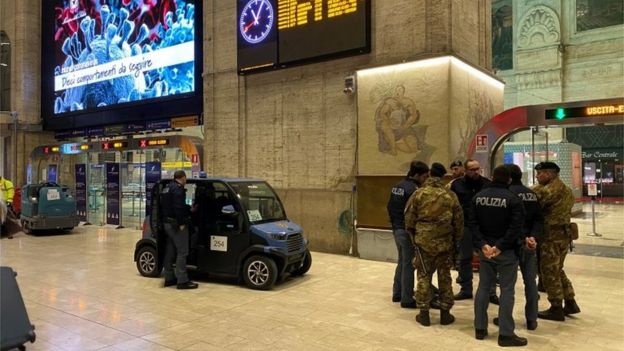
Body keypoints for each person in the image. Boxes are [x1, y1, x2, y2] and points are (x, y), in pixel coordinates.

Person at [470, 165, 527, 347]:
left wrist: (483, 245)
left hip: (485, 251)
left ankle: (480, 328)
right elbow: (516, 227)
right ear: (509, 179)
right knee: (507, 290)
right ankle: (505, 334)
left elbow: (472, 223)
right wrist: (500, 246)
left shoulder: (478, 197)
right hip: (506, 252)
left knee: (483, 288)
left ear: (492, 177)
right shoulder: (513, 199)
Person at [405, 163, 463, 326]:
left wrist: (414, 236)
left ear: (430, 174)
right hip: (445, 243)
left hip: (423, 242)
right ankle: (445, 313)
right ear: (444, 176)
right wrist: (456, 239)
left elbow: (409, 219)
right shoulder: (450, 195)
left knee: (423, 275)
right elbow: (458, 220)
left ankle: (424, 313)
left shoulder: (418, 194)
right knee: (445, 277)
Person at [493, 164, 543, 330]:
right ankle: (532, 319)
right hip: (529, 243)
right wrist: (532, 238)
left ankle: (504, 319)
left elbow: (509, 223)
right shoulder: (532, 194)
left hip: (512, 245)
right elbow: (538, 219)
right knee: (530, 282)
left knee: (508, 286)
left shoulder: (508, 194)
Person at [533, 161, 580, 321]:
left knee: (549, 271)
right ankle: (570, 301)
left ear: (550, 174)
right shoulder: (566, 189)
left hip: (551, 237)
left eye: (540, 173)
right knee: (558, 269)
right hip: (564, 235)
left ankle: (556, 307)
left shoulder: (549, 191)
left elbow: (533, 201)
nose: (537, 176)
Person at [450, 159, 497, 303]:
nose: (476, 172)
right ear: (465, 170)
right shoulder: (457, 185)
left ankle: (491, 292)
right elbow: (452, 205)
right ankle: (466, 289)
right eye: (472, 169)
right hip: (465, 226)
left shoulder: (487, 184)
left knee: (489, 258)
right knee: (464, 258)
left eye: (477, 169)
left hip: (485, 227)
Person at [387, 160, 429, 308]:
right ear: (416, 175)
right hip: (407, 231)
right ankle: (406, 299)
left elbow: (389, 207)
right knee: (408, 265)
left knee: (401, 262)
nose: (426, 180)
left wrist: (394, 225)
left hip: (396, 229)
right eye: (424, 176)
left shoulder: (397, 186)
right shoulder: (414, 190)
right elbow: (416, 213)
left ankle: (397, 293)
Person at [160, 170, 198, 290]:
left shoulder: (167, 188)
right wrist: (182, 223)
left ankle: (169, 278)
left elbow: (169, 206)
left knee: (170, 251)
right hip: (176, 225)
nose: (186, 181)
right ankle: (182, 280)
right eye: (185, 178)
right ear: (183, 178)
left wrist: (188, 208)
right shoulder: (178, 189)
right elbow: (177, 207)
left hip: (167, 224)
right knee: (182, 252)